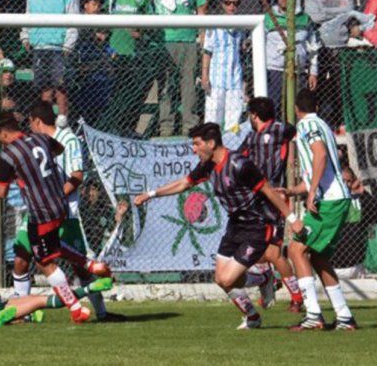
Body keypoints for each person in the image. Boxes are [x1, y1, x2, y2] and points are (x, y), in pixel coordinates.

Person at [126, 122, 302, 329]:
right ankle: (254, 311)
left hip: (257, 227)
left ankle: (264, 278)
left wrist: (292, 219)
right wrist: (151, 194)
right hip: (234, 226)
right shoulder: (208, 165)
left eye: (196, 144)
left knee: (227, 280)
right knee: (220, 279)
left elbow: (268, 191)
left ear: (211, 143)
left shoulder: (239, 164)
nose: (193, 149)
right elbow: (184, 183)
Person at [0, 112, 111, 324]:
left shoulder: (8, 155)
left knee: (44, 261)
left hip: (41, 211)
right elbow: (59, 150)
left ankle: (76, 308)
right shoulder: (40, 138)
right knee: (52, 245)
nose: (1, 142)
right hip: (60, 204)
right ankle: (90, 265)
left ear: (4, 133)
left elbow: (1, 193)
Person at [10, 101, 126, 322]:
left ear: (37, 121)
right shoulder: (34, 143)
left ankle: (101, 313)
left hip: (65, 212)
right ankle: (21, 313)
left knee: (79, 267)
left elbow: (77, 176)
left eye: (31, 123)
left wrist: (54, 195)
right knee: (21, 257)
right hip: (38, 212)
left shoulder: (68, 140)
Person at [280, 90, 357, 330]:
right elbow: (319, 170)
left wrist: (312, 192)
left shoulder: (306, 125)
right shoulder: (322, 123)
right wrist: (292, 191)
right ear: (318, 105)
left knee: (296, 249)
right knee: (319, 257)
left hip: (330, 201)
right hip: (335, 199)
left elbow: (320, 154)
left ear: (295, 109)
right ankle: (344, 317)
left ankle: (313, 316)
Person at [238, 97, 305, 312]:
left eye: (250, 114)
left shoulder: (277, 129)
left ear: (254, 115)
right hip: (257, 199)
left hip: (274, 197)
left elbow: (297, 133)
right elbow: (238, 159)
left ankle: (296, 296)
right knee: (259, 249)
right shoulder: (254, 136)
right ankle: (270, 280)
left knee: (273, 253)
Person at [139, 0, 206, 136]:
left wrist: (201, 37)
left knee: (188, 85)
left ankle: (189, 125)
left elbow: (201, 11)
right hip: (164, 41)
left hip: (188, 40)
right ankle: (166, 126)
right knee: (166, 85)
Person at [20, 0, 78, 126]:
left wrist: (69, 43)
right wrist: (25, 36)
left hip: (59, 47)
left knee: (61, 86)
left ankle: (63, 121)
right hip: (39, 46)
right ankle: (47, 121)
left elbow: (73, 18)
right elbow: (27, 16)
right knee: (45, 88)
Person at [264, 0, 319, 117]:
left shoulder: (305, 18)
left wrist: (313, 72)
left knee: (298, 107)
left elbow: (314, 46)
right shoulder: (269, 17)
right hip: (274, 70)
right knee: (274, 105)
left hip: (298, 70)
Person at [201, 0, 245, 131]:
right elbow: (207, 52)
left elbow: (242, 53)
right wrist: (205, 75)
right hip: (217, 79)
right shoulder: (215, 26)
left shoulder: (242, 26)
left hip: (235, 79)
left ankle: (232, 147)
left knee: (234, 120)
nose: (232, 6)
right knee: (213, 117)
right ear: (222, 5)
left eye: (235, 3)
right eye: (228, 3)